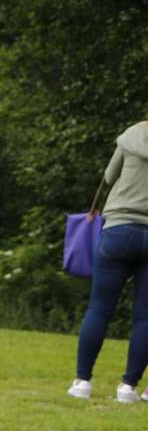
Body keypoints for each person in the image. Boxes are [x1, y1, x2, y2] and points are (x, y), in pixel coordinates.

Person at [69, 117, 148, 403]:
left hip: (119, 229)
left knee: (100, 308)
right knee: (145, 315)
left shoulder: (131, 135)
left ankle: (82, 382)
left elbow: (109, 177)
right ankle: (128, 388)